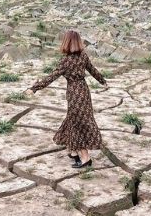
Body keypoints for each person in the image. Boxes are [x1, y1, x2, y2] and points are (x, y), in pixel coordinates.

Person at [25, 30, 107, 168]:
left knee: (77, 124)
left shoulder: (65, 61)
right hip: (84, 92)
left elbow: (51, 77)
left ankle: (86, 159)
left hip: (74, 94)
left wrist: (34, 88)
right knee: (73, 120)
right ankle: (73, 152)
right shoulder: (83, 56)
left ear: (66, 42)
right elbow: (93, 70)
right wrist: (103, 81)